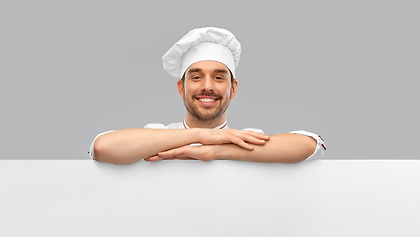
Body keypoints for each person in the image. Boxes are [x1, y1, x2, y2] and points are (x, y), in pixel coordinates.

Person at [89, 27, 326, 164]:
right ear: (181, 88)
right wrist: (203, 135)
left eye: (219, 77)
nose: (208, 86)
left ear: (232, 89)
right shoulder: (156, 136)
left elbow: (311, 144)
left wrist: (214, 150)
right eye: (196, 77)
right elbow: (102, 148)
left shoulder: (246, 140)